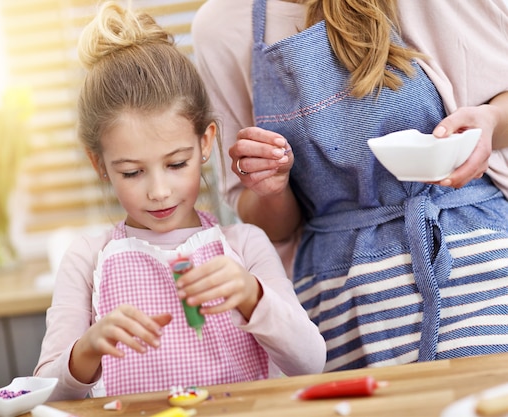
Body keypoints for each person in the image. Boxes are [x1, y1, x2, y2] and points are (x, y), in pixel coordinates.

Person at [192, 0, 508, 372]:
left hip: (475, 270)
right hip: (340, 301)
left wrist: (490, 120)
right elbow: (263, 219)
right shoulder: (220, 27)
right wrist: (272, 187)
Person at [34, 1, 326, 400]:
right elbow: (47, 391)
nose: (158, 191)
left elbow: (310, 362)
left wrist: (250, 294)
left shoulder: (245, 245)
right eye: (132, 172)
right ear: (99, 164)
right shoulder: (87, 258)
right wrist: (86, 349)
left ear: (205, 143)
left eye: (176, 163)